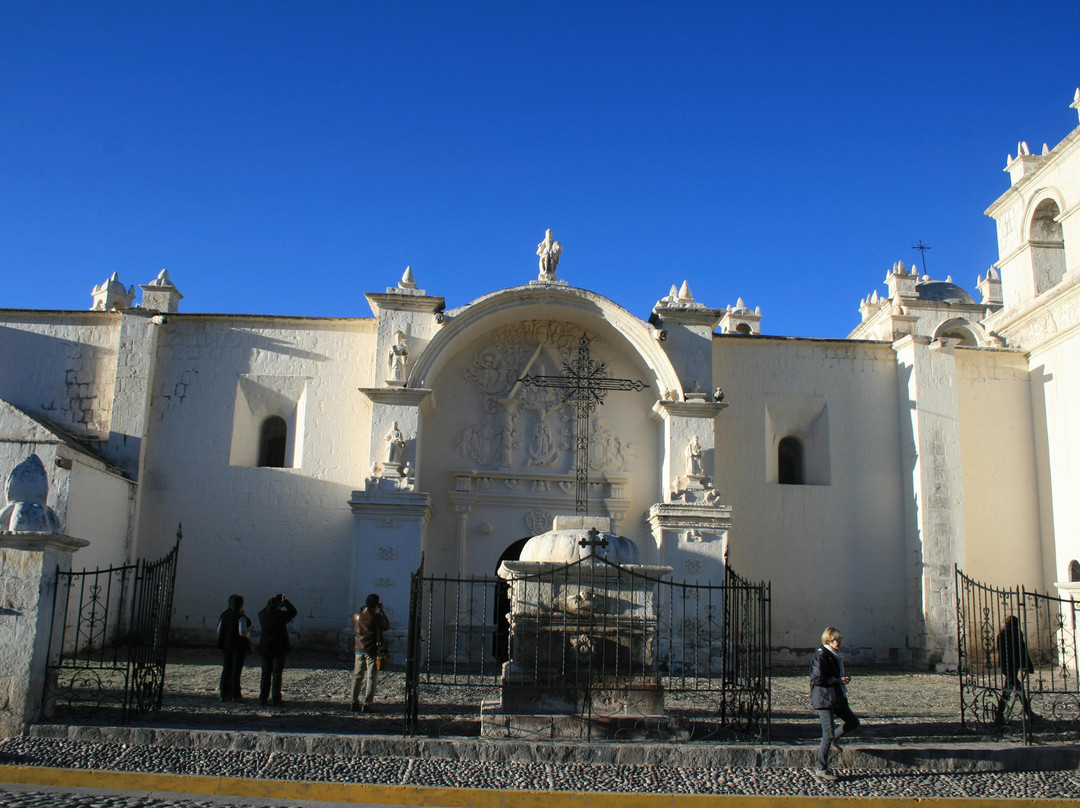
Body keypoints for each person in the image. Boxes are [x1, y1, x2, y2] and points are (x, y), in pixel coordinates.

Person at [809, 626, 860, 782]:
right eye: (837, 639)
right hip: (824, 698)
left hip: (836, 696)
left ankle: (834, 740)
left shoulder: (835, 654)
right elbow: (817, 679)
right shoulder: (821, 655)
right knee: (828, 733)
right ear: (829, 640)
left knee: (853, 721)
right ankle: (821, 768)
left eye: (840, 639)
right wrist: (838, 680)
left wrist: (841, 681)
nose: (840, 641)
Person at [995, 614, 1038, 725]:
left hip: (1006, 665)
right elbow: (1022, 649)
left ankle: (999, 714)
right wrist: (1028, 665)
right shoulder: (1016, 633)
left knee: (1008, 689)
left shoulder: (1002, 633)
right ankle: (1029, 713)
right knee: (1018, 689)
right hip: (1013, 665)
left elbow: (1000, 649)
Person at [257, 593, 298, 706]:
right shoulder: (280, 616)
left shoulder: (262, 615)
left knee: (265, 673)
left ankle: (263, 697)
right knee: (277, 674)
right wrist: (285, 602)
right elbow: (293, 612)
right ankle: (276, 698)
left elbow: (265, 609)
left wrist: (274, 602)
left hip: (265, 648)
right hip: (279, 648)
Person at [352, 593, 389, 713]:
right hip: (372, 650)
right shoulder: (377, 617)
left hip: (359, 649)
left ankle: (354, 701)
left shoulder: (357, 615)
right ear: (376, 605)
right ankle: (367, 703)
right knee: (371, 677)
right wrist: (382, 610)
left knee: (357, 676)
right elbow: (387, 625)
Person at [216, 594, 251, 702]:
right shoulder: (240, 617)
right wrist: (248, 635)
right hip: (238, 646)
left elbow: (219, 630)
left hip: (226, 646)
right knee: (236, 670)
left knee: (226, 669)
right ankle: (235, 694)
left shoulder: (224, 615)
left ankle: (223, 693)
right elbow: (242, 632)